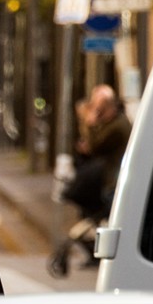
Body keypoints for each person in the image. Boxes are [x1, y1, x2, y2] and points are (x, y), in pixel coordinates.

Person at [57, 84, 132, 272]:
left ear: (106, 107)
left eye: (97, 107)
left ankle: (102, 254)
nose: (95, 111)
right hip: (107, 180)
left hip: (111, 183)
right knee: (93, 217)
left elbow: (94, 146)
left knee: (99, 218)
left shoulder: (118, 125)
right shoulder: (113, 123)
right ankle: (95, 253)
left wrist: (88, 122)